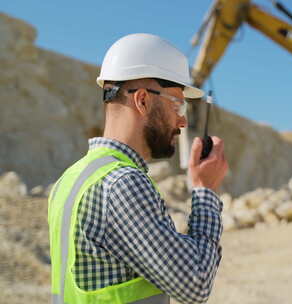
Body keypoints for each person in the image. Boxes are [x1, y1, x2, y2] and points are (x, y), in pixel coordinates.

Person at [48, 33, 228, 304]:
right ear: (142, 100)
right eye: (177, 104)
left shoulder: (71, 177)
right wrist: (205, 191)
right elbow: (196, 283)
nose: (181, 121)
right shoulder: (122, 183)